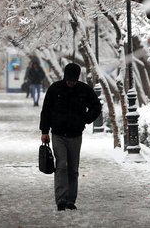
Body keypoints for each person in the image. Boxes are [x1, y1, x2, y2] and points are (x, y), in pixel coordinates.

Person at [39, 63, 102, 211]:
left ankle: (70, 200)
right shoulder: (55, 89)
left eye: (73, 80)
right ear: (65, 77)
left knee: (73, 169)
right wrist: (44, 131)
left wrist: (85, 119)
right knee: (61, 166)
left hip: (75, 135)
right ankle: (61, 199)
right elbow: (46, 110)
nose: (70, 83)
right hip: (58, 134)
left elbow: (96, 107)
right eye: (69, 80)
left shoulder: (84, 90)